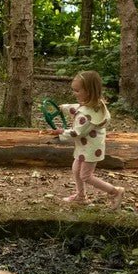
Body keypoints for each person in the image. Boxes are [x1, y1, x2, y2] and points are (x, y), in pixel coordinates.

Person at [51, 70, 125, 208]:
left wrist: (62, 132)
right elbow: (78, 108)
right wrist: (64, 108)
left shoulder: (86, 115)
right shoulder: (94, 104)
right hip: (86, 146)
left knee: (86, 175)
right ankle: (81, 196)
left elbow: (77, 133)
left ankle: (115, 191)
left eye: (77, 90)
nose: (74, 93)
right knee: (76, 169)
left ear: (89, 92)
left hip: (90, 149)